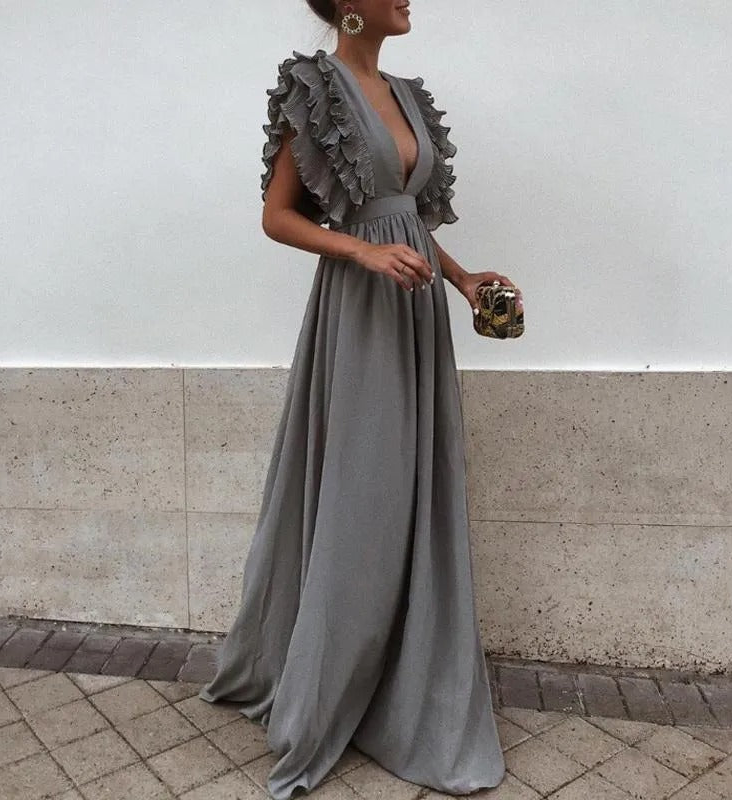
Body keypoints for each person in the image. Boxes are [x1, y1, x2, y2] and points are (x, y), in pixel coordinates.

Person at [199, 1, 512, 797]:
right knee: (363, 493)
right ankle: (329, 688)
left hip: (417, 316)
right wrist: (360, 254)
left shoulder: (407, 94)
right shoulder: (314, 87)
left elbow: (408, 218)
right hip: (361, 314)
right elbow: (278, 217)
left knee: (412, 490)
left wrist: (465, 279)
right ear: (346, 6)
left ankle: (402, 688)